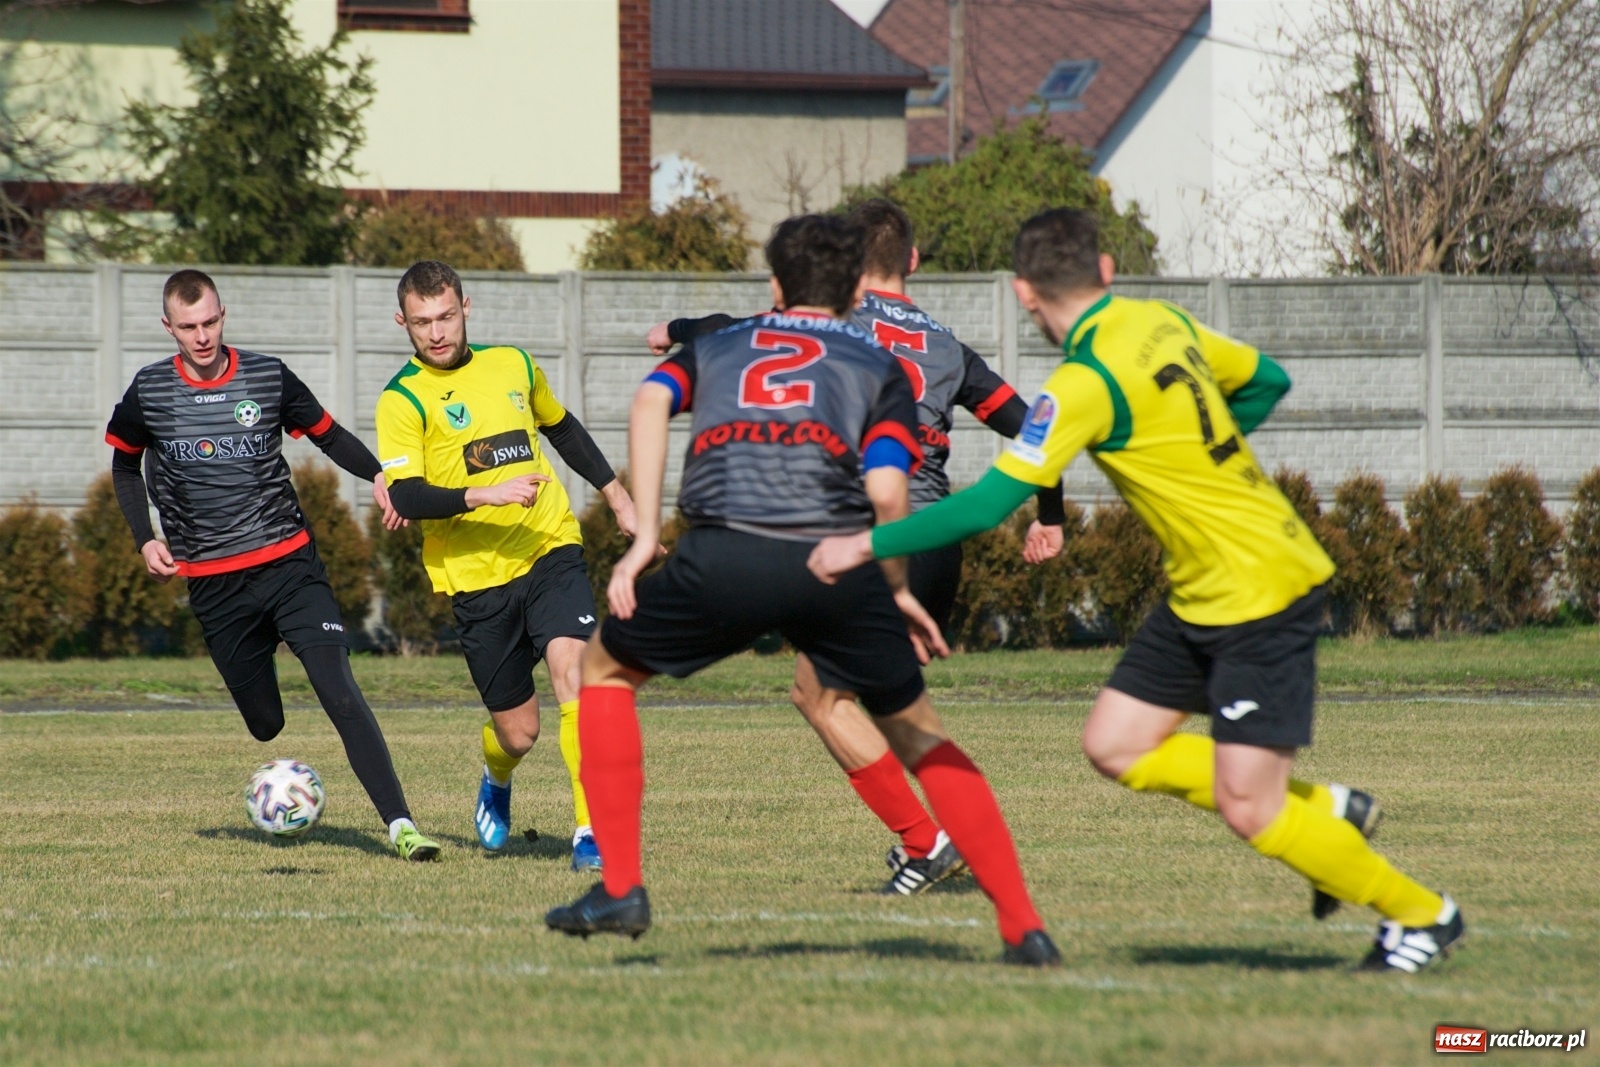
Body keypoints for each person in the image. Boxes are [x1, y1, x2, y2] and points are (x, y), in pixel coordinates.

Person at [809, 208, 1464, 974]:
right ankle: (1325, 810)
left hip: (1260, 585)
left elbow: (987, 504)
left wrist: (867, 539)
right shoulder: (1160, 320)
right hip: (1203, 588)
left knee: (1250, 805)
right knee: (1113, 745)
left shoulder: (1081, 383)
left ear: (1024, 293)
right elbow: (1267, 378)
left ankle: (1423, 915)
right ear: (1108, 271)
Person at [545, 215, 1060, 967]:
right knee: (919, 731)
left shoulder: (724, 343)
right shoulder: (876, 364)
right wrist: (896, 585)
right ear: (852, 292)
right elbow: (888, 488)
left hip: (727, 552)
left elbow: (652, 399)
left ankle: (621, 885)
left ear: (777, 285)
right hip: (837, 566)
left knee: (602, 670)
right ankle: (1024, 926)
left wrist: (648, 538)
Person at [106, 269, 442, 861]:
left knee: (339, 690)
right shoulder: (150, 390)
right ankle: (259, 670)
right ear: (169, 328)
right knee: (265, 724)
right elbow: (125, 465)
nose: (202, 336)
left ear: (223, 314)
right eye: (188, 327)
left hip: (289, 563)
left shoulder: (267, 375)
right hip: (213, 582)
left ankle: (402, 826)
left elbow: (328, 435)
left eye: (210, 321)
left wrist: (382, 476)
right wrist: (145, 538)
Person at [375, 260, 642, 872]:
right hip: (475, 578)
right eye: (421, 323)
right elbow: (407, 495)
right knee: (520, 733)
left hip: (548, 546)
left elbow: (562, 428)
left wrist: (617, 495)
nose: (436, 333)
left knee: (575, 672)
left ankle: (589, 832)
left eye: (445, 316)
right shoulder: (401, 398)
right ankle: (496, 776)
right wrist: (481, 494)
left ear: (466, 307)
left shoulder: (514, 364)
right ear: (403, 323)